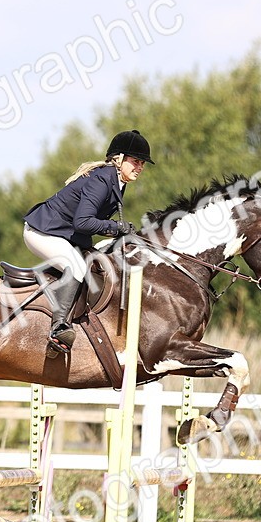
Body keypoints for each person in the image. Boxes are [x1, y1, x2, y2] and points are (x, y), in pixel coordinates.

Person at [23, 129, 154, 354]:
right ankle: (58, 329)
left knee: (101, 261)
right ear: (119, 158)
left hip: (64, 234)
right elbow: (83, 222)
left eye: (142, 163)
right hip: (42, 231)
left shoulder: (116, 182)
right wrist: (116, 227)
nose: (139, 167)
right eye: (136, 161)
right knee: (75, 267)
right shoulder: (103, 180)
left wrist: (120, 232)